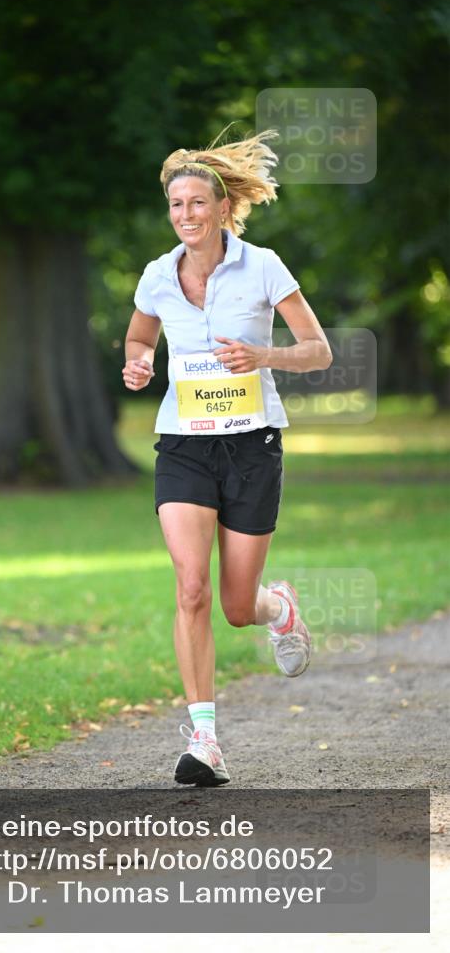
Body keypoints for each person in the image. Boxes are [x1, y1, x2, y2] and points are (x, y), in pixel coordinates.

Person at [122, 127, 332, 788]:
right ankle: (204, 739)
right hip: (183, 445)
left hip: (252, 443)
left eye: (194, 204)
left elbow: (318, 350)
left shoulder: (263, 265)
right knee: (191, 588)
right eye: (174, 206)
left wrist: (263, 356)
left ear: (219, 209)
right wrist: (139, 360)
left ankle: (279, 608)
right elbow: (137, 334)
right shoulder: (157, 274)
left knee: (237, 606)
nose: (184, 215)